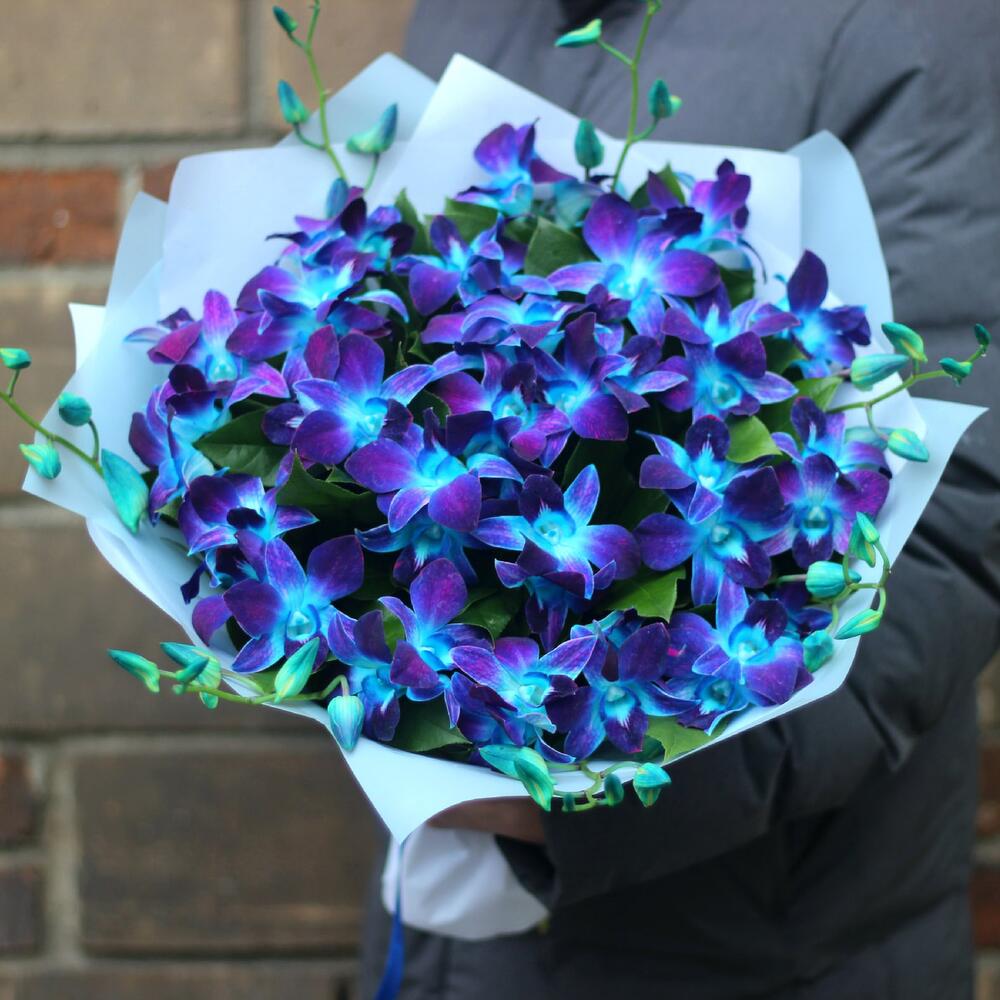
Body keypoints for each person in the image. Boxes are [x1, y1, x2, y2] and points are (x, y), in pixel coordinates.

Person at [361, 2, 1000, 996]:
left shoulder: (913, 26)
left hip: (754, 945)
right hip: (446, 936)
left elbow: (946, 525)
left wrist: (581, 801)